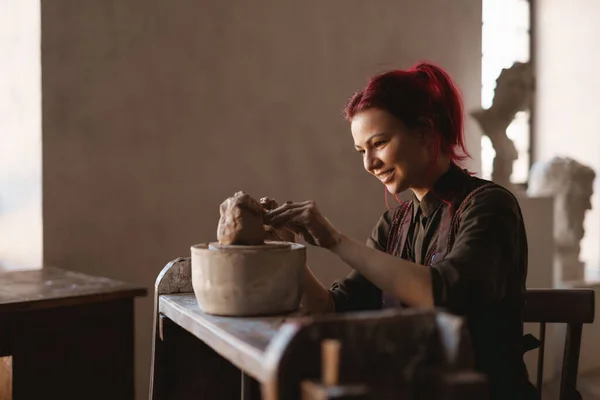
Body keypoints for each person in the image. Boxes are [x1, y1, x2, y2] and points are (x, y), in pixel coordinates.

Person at [264, 61, 538, 399]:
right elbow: (334, 309)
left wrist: (334, 240)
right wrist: (287, 254)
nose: (369, 163)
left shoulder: (490, 207)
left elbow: (446, 295)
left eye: (379, 143)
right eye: (361, 151)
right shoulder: (394, 224)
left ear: (424, 133)